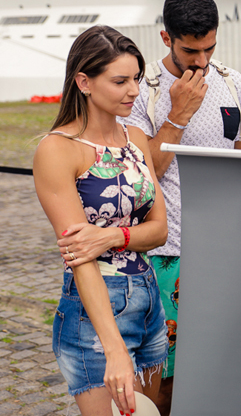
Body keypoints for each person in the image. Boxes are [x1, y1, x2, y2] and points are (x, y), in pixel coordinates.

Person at [122, 0, 241, 415]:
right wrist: (178, 115)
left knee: (219, 367)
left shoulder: (231, 81)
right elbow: (145, 174)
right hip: (165, 253)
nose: (201, 61)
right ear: (166, 39)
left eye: (209, 48)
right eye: (190, 51)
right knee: (163, 379)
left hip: (223, 251)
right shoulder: (143, 92)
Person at [33, 26, 169, 416]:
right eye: (120, 81)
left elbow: (159, 230)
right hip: (95, 311)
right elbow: (81, 257)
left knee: (149, 412)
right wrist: (113, 347)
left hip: (148, 300)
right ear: (84, 82)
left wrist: (109, 236)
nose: (134, 91)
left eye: (137, 79)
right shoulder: (58, 150)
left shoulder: (137, 138)